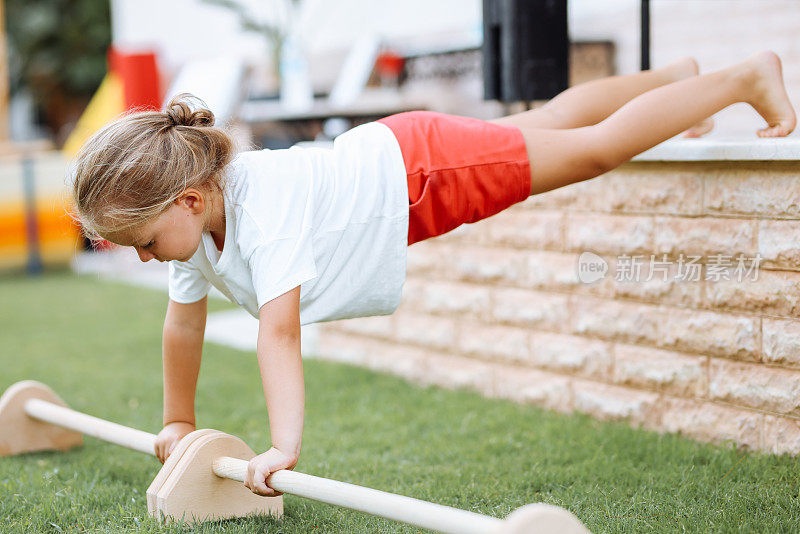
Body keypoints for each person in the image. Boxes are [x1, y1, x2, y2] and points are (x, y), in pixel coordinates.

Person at [69, 50, 796, 497]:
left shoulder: (265, 209)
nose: (144, 257)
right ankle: (675, 82)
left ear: (189, 198)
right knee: (547, 124)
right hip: (400, 159)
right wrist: (177, 420)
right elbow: (182, 324)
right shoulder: (193, 225)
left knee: (592, 151)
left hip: (423, 172)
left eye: (142, 241)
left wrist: (284, 446)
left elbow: (279, 334)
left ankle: (741, 77)